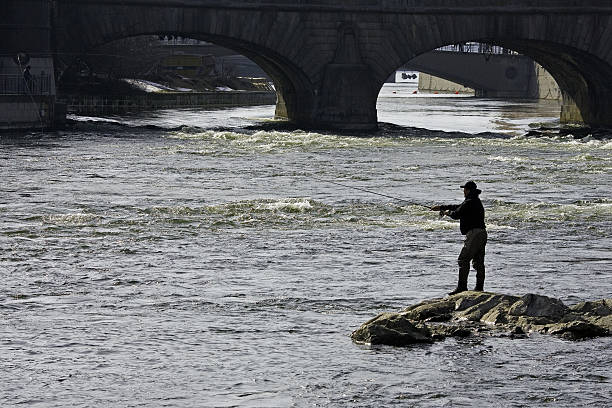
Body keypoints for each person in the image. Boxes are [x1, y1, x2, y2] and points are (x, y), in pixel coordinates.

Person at [431, 181, 488, 295]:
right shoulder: (473, 201)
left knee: (463, 260)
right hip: (482, 233)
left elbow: (456, 214)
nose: (463, 191)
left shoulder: (470, 201)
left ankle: (462, 288)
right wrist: (441, 207)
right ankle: (479, 288)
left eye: (465, 189)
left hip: (474, 234)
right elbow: (458, 207)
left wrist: (447, 213)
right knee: (478, 262)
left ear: (469, 190)